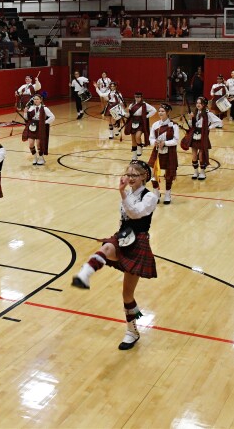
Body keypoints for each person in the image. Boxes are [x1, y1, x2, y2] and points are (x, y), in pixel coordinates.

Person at [70, 160, 158, 350]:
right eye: (128, 174)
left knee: (127, 294)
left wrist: (122, 193)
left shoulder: (150, 197)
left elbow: (136, 214)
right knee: (106, 248)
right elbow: (124, 219)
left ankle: (132, 331)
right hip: (124, 236)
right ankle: (84, 275)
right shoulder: (127, 194)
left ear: (144, 177)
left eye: (134, 175)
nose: (130, 178)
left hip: (139, 242)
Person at [147, 103, 179, 205]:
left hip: (169, 152)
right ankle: (156, 193)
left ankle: (168, 194)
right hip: (157, 152)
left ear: (168, 112)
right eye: (159, 111)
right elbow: (151, 138)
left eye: (162, 111)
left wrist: (165, 143)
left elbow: (176, 140)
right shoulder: (155, 124)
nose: (160, 113)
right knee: (152, 172)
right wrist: (154, 143)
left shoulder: (174, 125)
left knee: (169, 174)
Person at [186, 96, 222, 179]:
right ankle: (195, 172)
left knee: (202, 154)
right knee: (194, 154)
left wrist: (208, 128)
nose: (198, 105)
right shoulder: (195, 113)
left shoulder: (208, 113)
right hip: (194, 134)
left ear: (204, 104)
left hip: (203, 134)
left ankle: (202, 172)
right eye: (197, 103)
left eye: (200, 103)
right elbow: (191, 125)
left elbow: (218, 122)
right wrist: (191, 118)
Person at [23, 93, 55, 166]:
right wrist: (25, 112)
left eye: (37, 99)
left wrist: (44, 122)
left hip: (40, 128)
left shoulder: (44, 108)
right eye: (35, 99)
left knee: (39, 145)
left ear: (41, 100)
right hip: (32, 127)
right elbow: (26, 119)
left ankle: (41, 158)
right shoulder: (30, 108)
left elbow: (52, 117)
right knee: (31, 144)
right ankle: (35, 157)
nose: (36, 100)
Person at [125, 92, 157, 160]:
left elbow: (154, 110)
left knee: (138, 136)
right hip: (133, 121)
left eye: (139, 97)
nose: (137, 98)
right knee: (133, 139)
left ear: (141, 97)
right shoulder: (131, 105)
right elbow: (128, 116)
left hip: (141, 122)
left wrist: (146, 116)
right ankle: (134, 156)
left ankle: (140, 146)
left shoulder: (144, 104)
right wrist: (127, 112)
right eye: (136, 97)